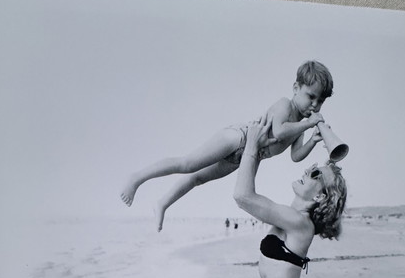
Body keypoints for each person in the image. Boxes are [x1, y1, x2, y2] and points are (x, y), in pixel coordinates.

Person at [173, 119, 347, 278]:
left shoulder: (301, 224)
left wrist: (252, 145)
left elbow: (243, 197)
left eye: (315, 173)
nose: (308, 168)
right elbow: (250, 194)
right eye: (313, 166)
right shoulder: (291, 214)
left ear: (320, 196)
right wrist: (257, 150)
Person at [120, 60, 333, 230]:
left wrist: (313, 140)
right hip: (239, 138)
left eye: (320, 101)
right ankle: (137, 178)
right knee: (187, 164)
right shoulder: (285, 105)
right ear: (296, 88)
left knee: (198, 178)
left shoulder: (300, 125)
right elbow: (279, 131)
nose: (314, 105)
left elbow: (295, 156)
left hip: (248, 155)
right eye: (311, 97)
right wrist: (307, 125)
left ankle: (163, 203)